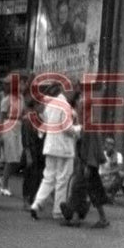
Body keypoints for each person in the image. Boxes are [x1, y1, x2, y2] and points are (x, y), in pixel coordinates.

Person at [29, 81, 79, 222]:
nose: (75, 93)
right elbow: (67, 128)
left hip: (50, 146)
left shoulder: (50, 105)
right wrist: (80, 129)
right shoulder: (66, 106)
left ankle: (36, 204)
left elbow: (45, 122)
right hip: (64, 148)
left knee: (48, 177)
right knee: (63, 179)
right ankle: (58, 210)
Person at [70, 97, 110, 229]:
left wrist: (89, 165)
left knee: (88, 189)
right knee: (84, 188)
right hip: (85, 161)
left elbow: (93, 145)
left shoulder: (90, 123)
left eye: (80, 106)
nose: (78, 108)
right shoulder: (86, 121)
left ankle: (101, 219)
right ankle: (77, 218)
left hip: (88, 163)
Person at [0, 72, 25, 197]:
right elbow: (1, 118)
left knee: (18, 158)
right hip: (9, 126)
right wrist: (0, 135)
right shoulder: (6, 100)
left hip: (18, 127)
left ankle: (3, 178)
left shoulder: (21, 98)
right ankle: (4, 184)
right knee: (11, 157)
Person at [20, 86, 45, 207]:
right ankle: (26, 199)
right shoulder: (28, 119)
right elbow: (26, 139)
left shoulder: (40, 118)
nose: (43, 107)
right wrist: (28, 154)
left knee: (38, 176)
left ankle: (33, 198)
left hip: (39, 150)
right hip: (31, 150)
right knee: (29, 175)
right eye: (41, 104)